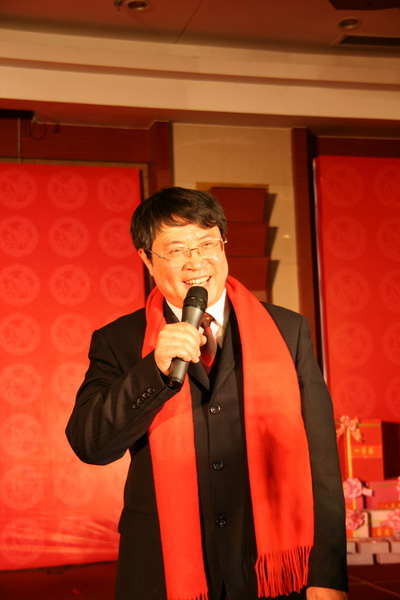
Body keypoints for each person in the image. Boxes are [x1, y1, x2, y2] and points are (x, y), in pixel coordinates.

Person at [66, 187, 348, 600]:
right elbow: (90, 444)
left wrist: (327, 572)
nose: (196, 262)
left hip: (271, 561)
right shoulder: (119, 340)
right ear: (146, 258)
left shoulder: (288, 330)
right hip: (162, 563)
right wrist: (153, 370)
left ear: (223, 243)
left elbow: (321, 460)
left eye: (206, 244)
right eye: (177, 249)